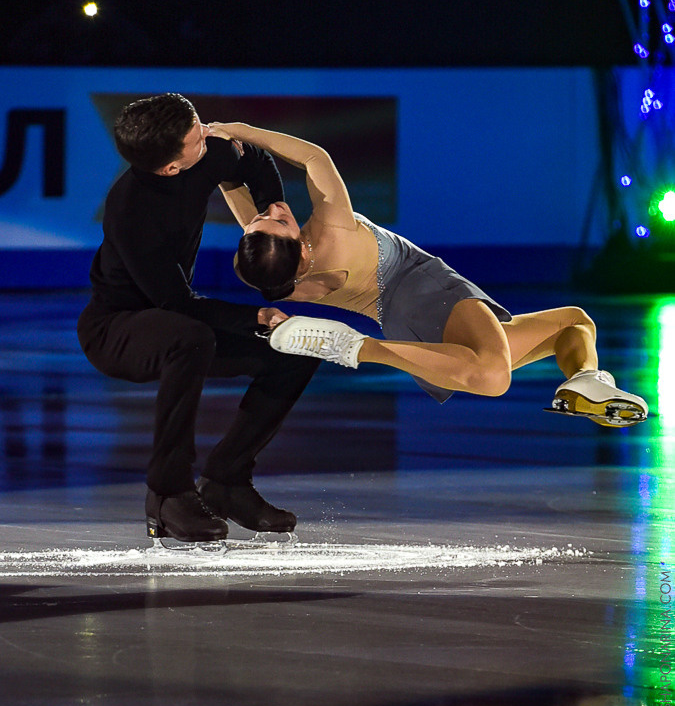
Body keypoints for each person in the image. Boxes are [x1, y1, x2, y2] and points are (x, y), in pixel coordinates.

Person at [209, 121, 648, 428]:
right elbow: (313, 156)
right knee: (494, 376)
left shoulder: (281, 283)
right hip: (423, 286)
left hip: (404, 323)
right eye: (280, 221)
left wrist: (218, 168)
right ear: (300, 247)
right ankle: (358, 347)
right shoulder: (332, 226)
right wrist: (235, 129)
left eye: (263, 218)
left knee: (573, 322)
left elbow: (238, 195)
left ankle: (586, 381)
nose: (277, 209)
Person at [77, 95, 319, 545]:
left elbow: (257, 163)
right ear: (171, 167)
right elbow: (175, 304)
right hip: (116, 328)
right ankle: (168, 493)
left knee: (293, 351)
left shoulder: (203, 154)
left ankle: (227, 481)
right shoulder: (129, 210)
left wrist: (273, 207)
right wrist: (258, 315)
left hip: (177, 319)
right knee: (189, 336)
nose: (207, 133)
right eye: (196, 136)